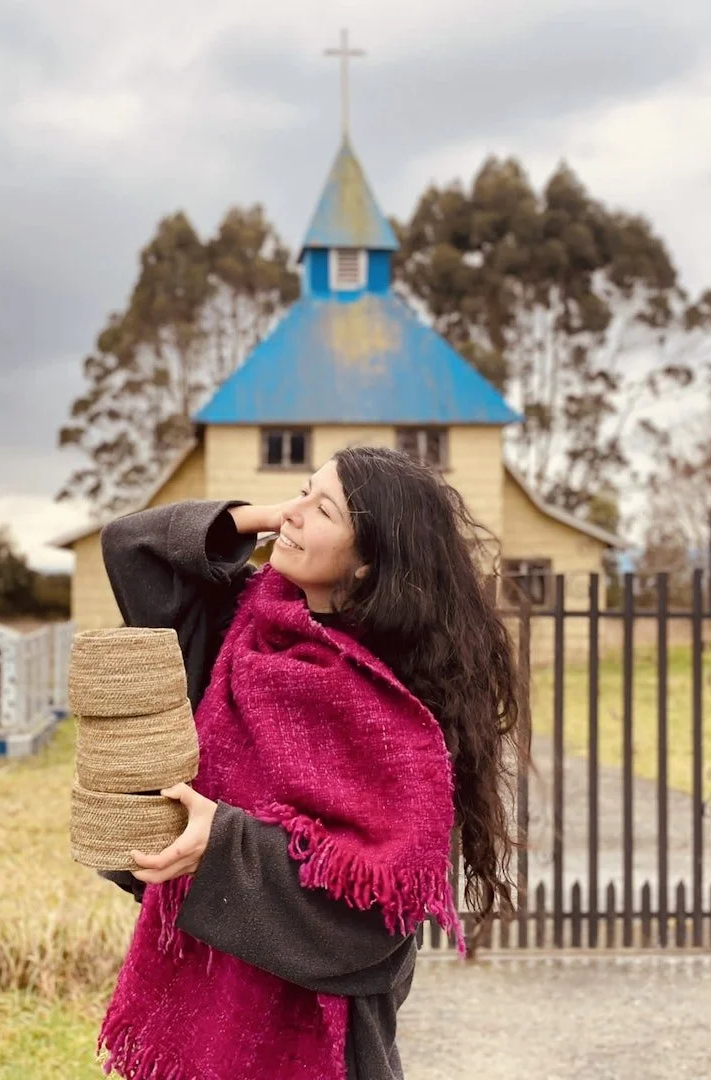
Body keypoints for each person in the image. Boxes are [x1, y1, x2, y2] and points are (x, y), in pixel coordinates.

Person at [96, 445, 520, 1080]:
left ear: (367, 564)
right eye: (301, 490)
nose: (293, 514)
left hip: (326, 1039)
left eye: (322, 509)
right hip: (204, 992)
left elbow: (375, 917)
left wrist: (225, 841)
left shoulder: (394, 708)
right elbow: (134, 546)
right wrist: (276, 515)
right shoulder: (244, 625)